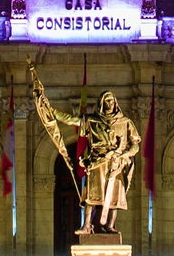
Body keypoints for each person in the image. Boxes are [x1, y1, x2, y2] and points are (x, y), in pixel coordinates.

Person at [39, 88, 141, 235]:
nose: (110, 104)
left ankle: (110, 226)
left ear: (115, 103)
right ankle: (86, 225)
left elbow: (135, 145)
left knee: (114, 197)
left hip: (116, 164)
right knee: (91, 196)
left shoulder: (125, 122)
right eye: (107, 101)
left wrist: (124, 154)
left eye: (111, 101)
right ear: (101, 103)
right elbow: (71, 120)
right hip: (97, 163)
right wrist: (52, 111)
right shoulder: (92, 120)